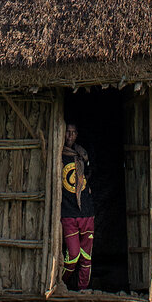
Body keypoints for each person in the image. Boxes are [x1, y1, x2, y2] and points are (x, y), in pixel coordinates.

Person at [60, 123, 94, 291]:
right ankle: (61, 284)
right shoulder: (58, 156)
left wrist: (88, 185)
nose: (70, 136)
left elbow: (89, 173)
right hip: (68, 213)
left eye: (73, 133)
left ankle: (83, 290)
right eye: (67, 132)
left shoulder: (82, 155)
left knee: (86, 258)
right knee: (73, 255)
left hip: (87, 213)